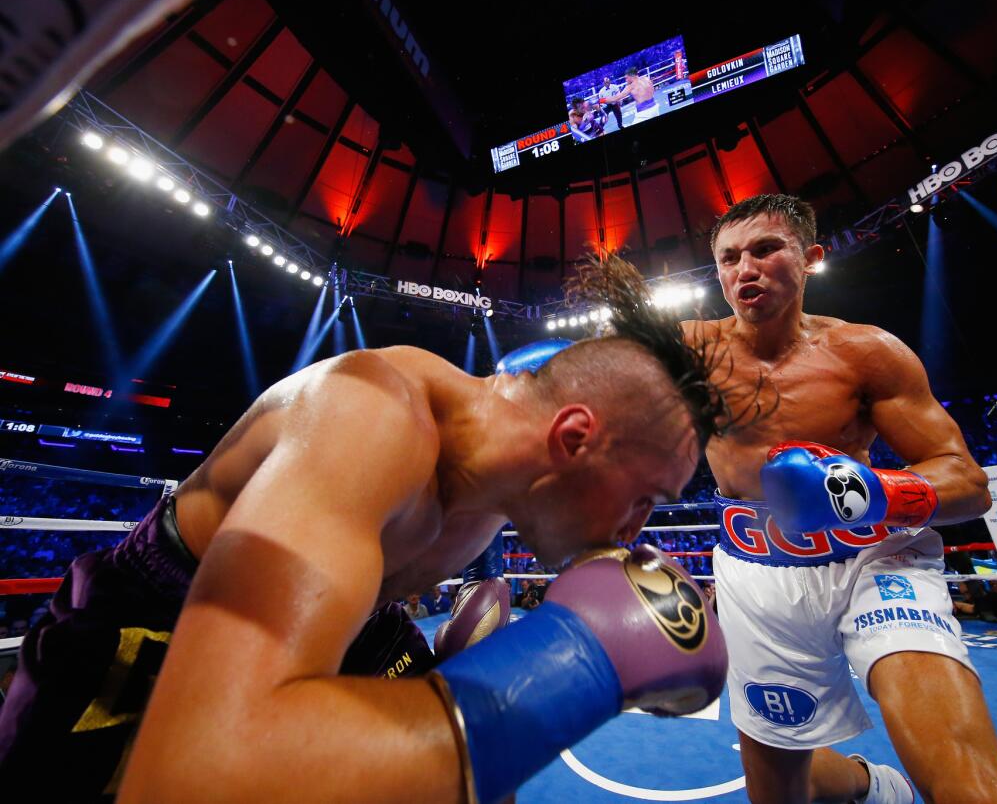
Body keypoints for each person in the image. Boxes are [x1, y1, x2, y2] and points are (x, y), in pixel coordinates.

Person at [0, 256, 733, 803]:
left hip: (359, 622)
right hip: (149, 624)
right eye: (645, 498)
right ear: (572, 437)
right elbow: (197, 772)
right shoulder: (368, 418)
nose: (638, 534)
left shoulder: (502, 489)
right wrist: (576, 663)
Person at [684, 194, 997, 804]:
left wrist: (864, 494)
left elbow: (968, 483)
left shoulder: (866, 353)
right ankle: (873, 789)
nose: (746, 269)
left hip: (878, 558)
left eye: (766, 249)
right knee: (789, 787)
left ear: (811, 258)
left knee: (958, 770)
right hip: (757, 572)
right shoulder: (691, 351)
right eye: (729, 258)